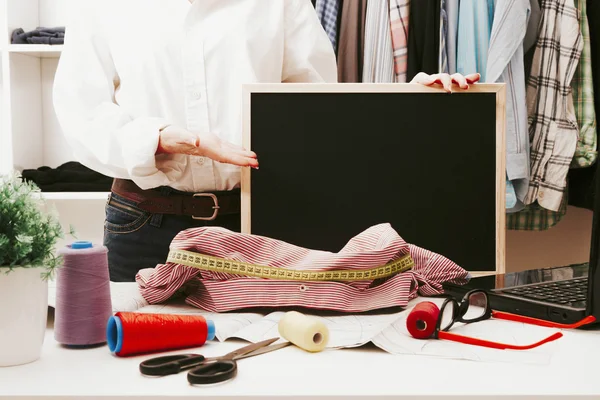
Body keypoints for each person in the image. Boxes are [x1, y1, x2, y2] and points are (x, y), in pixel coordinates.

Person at [53, 0, 480, 282]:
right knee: (132, 374)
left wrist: (411, 106)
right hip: (144, 225)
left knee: (270, 372)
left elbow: (316, 108)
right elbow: (80, 111)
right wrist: (158, 139)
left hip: (258, 223)